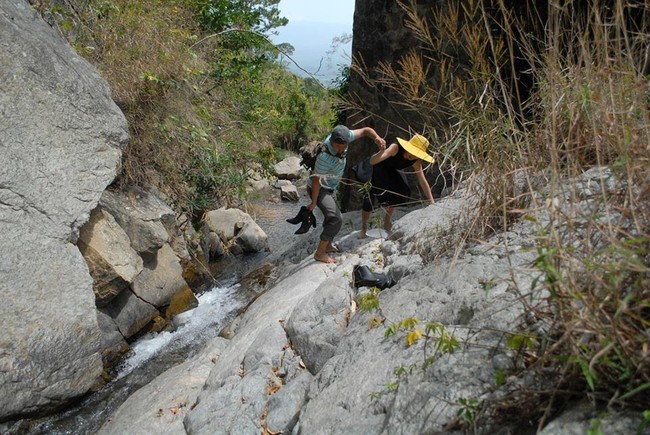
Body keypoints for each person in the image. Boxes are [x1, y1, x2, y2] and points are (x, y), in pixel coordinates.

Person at [307, 124, 386, 263]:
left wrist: (377, 138)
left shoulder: (347, 135)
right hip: (319, 188)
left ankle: (328, 244)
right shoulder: (324, 156)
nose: (340, 149)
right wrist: (314, 202)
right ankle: (320, 253)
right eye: (337, 146)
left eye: (343, 146)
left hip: (330, 186)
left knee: (331, 216)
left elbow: (366, 130)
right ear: (331, 141)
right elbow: (315, 181)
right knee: (336, 218)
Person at [358, 133, 436, 239]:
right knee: (369, 197)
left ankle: (387, 220)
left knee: (402, 189)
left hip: (391, 170)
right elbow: (372, 161)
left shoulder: (415, 161)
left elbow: (422, 181)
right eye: (412, 152)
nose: (412, 156)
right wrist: (382, 151)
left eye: (416, 154)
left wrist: (431, 202)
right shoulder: (395, 148)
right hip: (377, 167)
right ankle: (364, 227)